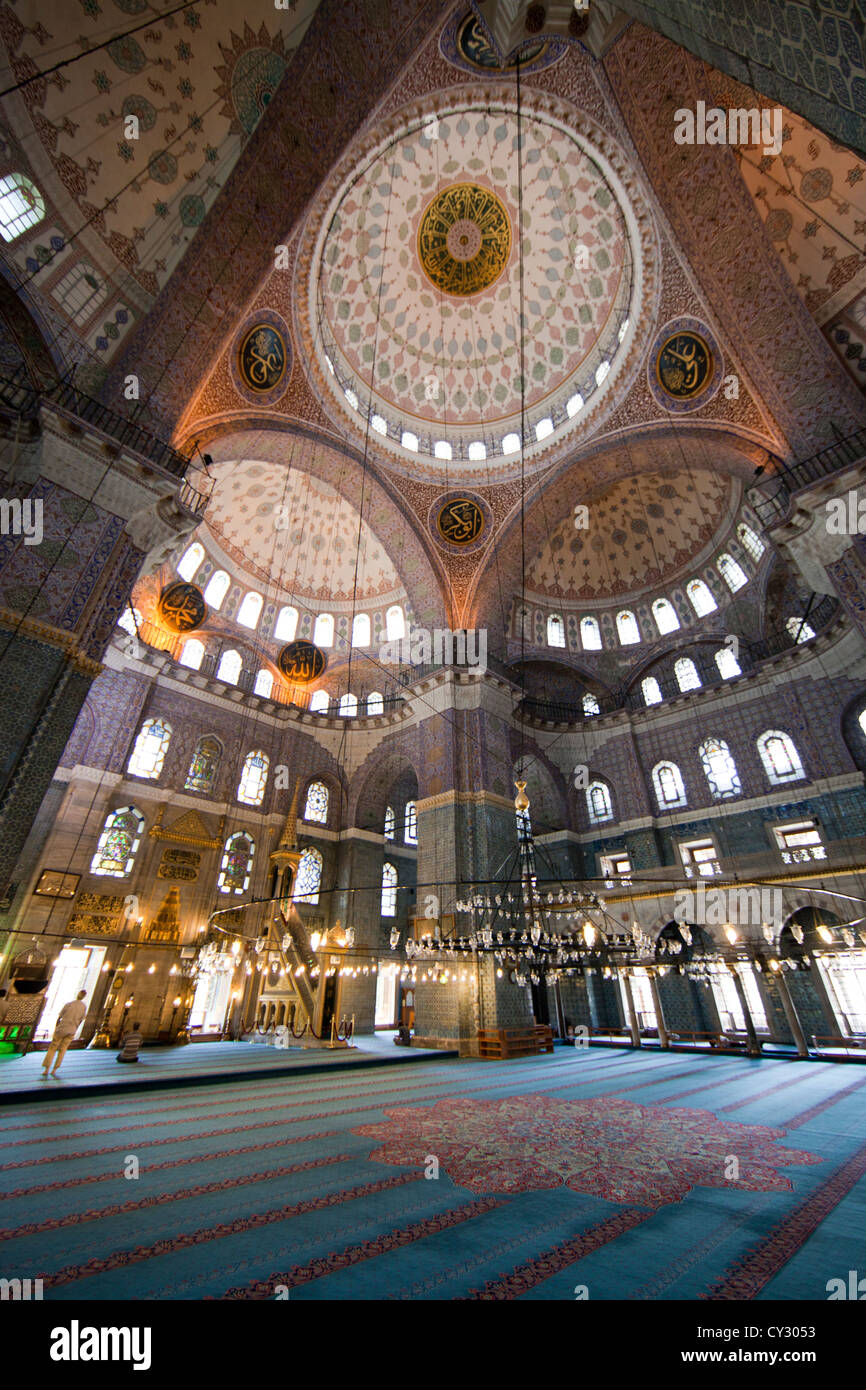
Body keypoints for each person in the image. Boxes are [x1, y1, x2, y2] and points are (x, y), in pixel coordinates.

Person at [42, 989, 87, 1076]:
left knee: (53, 1048)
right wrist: (75, 1028)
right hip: (72, 1029)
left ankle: (47, 1069)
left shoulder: (69, 1004)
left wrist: (56, 1027)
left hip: (62, 1028)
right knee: (63, 1049)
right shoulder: (83, 1007)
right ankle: (54, 1070)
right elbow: (81, 1020)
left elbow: (59, 1017)